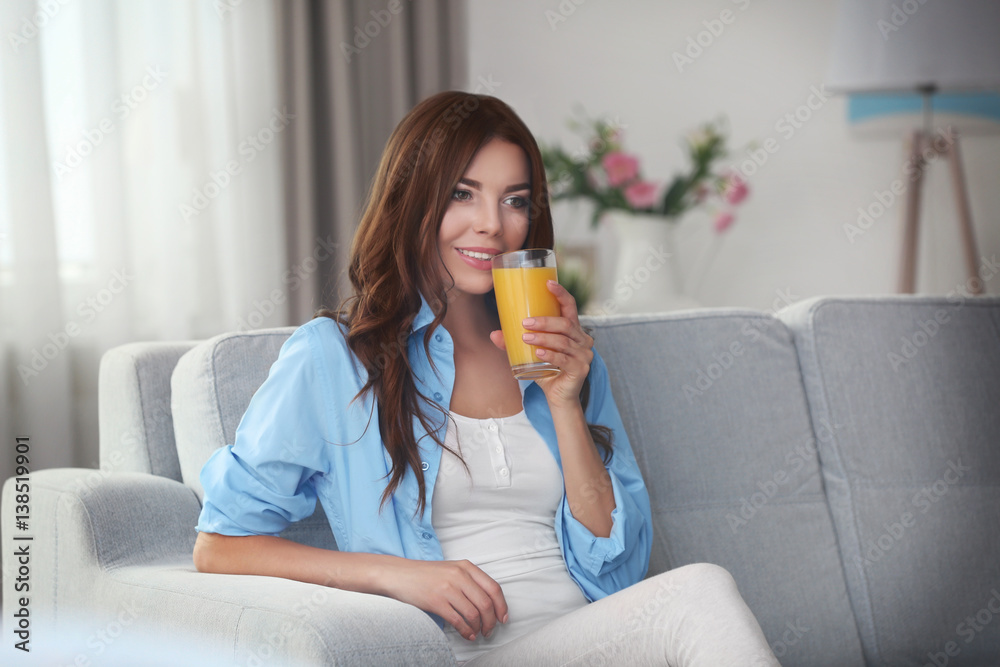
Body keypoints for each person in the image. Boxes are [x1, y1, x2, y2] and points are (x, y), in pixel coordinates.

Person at [193, 90, 779, 666]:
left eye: (514, 201)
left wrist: (564, 401)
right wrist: (396, 576)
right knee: (700, 591)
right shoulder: (333, 358)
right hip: (464, 651)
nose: (492, 225)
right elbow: (219, 547)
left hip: (594, 638)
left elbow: (619, 568)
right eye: (462, 194)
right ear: (411, 199)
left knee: (694, 598)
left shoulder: (562, 352)